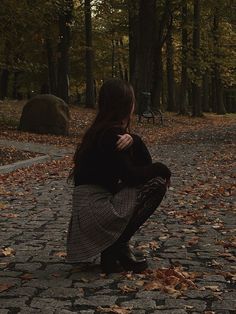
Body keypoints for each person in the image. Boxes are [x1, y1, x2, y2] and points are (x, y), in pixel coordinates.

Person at [67, 78, 171, 274]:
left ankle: (115, 248)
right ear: (127, 106)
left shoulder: (100, 131)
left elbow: (138, 168)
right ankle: (115, 246)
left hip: (88, 211)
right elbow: (135, 175)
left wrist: (136, 140)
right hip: (95, 212)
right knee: (157, 184)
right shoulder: (112, 136)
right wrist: (163, 169)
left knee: (149, 182)